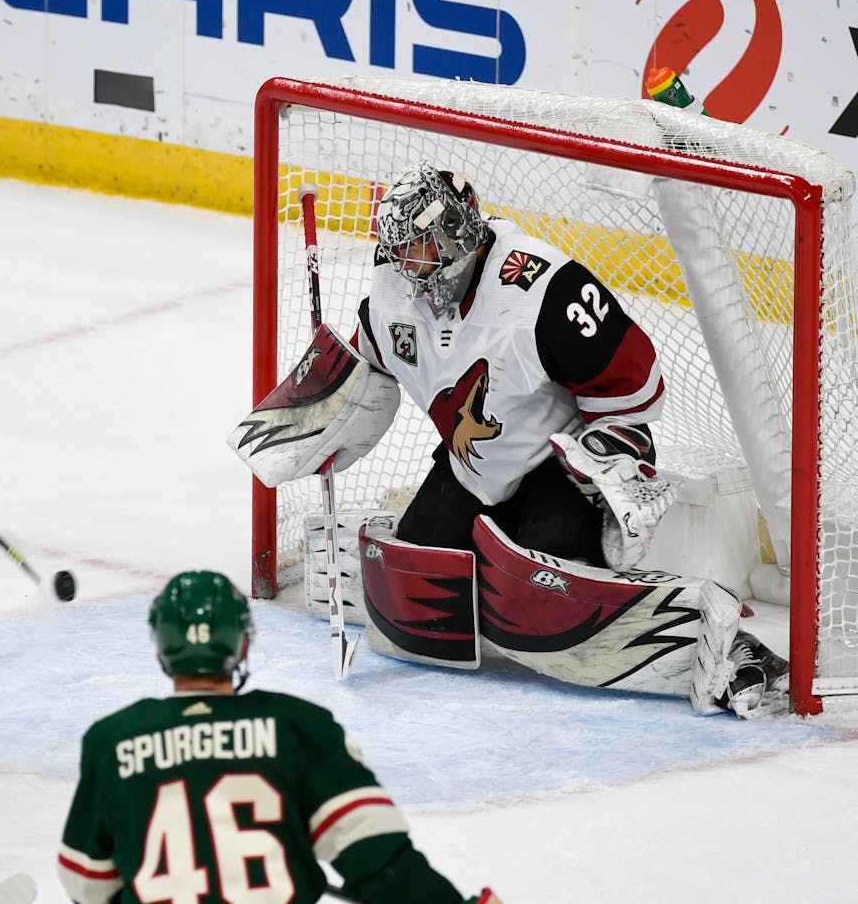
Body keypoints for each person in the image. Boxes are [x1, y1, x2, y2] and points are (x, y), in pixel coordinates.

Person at [231, 163, 788, 717]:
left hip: (560, 463)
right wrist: (321, 409)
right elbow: (369, 367)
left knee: (545, 573)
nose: (408, 266)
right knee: (421, 561)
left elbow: (637, 385)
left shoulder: (544, 287)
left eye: (421, 248)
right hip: (474, 463)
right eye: (399, 251)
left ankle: (696, 630)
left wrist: (604, 461)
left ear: (455, 235)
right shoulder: (394, 290)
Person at [57, 571, 499, 904]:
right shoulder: (298, 728)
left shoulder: (113, 741)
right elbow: (381, 861)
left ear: (160, 651)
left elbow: (87, 884)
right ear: (243, 646)